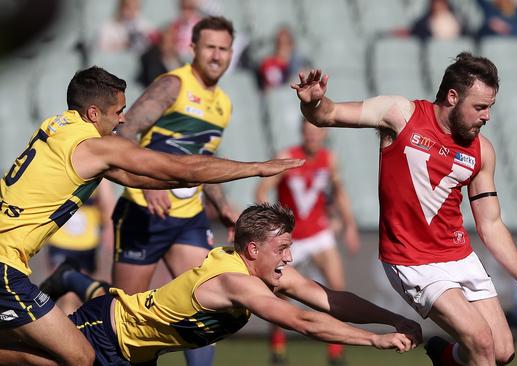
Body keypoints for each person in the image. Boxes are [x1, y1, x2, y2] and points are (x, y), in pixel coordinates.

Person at [0, 65, 301, 366]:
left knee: (42, 349)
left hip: (8, 260)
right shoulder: (95, 147)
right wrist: (257, 168)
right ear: (93, 113)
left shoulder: (58, 125)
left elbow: (145, 177)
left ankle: (71, 280)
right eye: (118, 111)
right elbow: (182, 169)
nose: (123, 118)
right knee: (79, 357)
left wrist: (184, 180)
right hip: (5, 264)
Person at [291, 53, 517, 366]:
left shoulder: (482, 151)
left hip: (458, 255)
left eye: (490, 108)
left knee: (502, 351)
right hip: (412, 260)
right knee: (482, 345)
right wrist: (312, 103)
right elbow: (329, 114)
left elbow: (491, 223)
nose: (486, 117)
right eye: (480, 107)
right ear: (452, 96)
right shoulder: (399, 114)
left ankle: (447, 357)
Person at [35, 203, 421, 366]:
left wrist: (392, 319)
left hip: (137, 353)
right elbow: (303, 322)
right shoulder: (237, 283)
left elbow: (328, 298)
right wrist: (374, 340)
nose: (289, 257)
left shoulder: (260, 269)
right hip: (104, 334)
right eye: (283, 248)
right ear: (253, 249)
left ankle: (72, 278)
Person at [113, 15, 242, 365]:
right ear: (194, 48)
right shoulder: (173, 85)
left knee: (202, 302)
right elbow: (124, 132)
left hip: (188, 216)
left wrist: (225, 206)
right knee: (126, 312)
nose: (217, 55)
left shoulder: (224, 104)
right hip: (143, 210)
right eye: (210, 47)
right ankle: (76, 283)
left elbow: (204, 162)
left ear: (232, 53)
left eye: (224, 49)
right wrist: (148, 183)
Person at [256, 121, 360, 365]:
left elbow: (339, 191)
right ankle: (278, 347)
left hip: (318, 234)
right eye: (308, 133)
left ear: (324, 133)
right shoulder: (287, 157)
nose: (312, 137)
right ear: (302, 133)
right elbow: (262, 191)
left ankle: (336, 351)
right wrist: (272, 227)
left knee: (336, 289)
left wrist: (349, 224)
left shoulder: (329, 158)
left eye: (316, 133)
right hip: (291, 238)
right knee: (280, 294)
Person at [45, 180, 115, 314]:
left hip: (88, 244)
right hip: (61, 241)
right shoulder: (60, 168)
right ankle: (67, 330)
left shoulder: (100, 174)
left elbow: (107, 203)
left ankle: (77, 328)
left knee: (82, 293)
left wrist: (108, 229)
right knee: (67, 294)